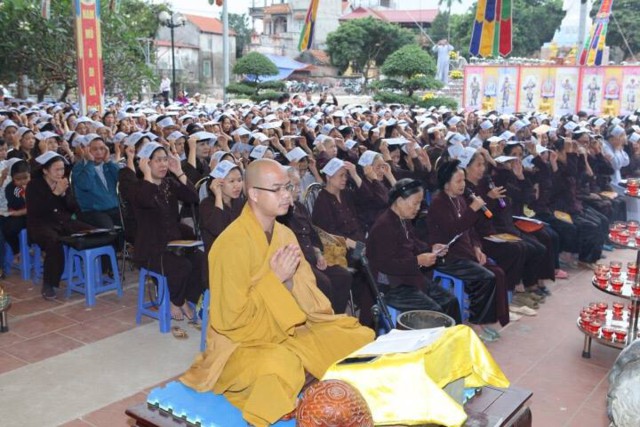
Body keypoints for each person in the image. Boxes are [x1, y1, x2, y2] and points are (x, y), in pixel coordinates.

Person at [181, 159, 373, 427]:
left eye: (288, 187)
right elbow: (230, 321)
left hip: (288, 328)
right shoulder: (230, 245)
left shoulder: (285, 235)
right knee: (283, 364)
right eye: (277, 189)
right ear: (254, 194)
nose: (287, 195)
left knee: (356, 334)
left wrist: (289, 283)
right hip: (242, 343)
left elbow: (311, 298)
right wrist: (275, 280)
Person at [426, 160, 510, 340]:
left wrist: (477, 247)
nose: (463, 184)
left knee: (497, 273)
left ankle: (486, 319)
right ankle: (474, 322)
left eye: (463, 180)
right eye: (458, 181)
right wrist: (472, 209)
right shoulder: (438, 202)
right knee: (484, 277)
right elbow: (453, 230)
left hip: (465, 252)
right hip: (448, 256)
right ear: (446, 184)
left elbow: (470, 230)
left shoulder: (460, 199)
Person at [366, 178, 462, 324]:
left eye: (420, 203)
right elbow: (385, 265)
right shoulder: (384, 226)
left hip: (408, 277)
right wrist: (417, 261)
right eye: (415, 203)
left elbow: (414, 244)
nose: (418, 208)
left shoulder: (403, 219)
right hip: (391, 285)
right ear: (399, 201)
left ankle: (454, 337)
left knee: (450, 300)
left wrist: (432, 249)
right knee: (434, 312)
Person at [131, 142, 206, 321]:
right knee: (182, 266)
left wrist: (179, 171)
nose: (163, 164)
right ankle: (176, 300)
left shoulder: (169, 183)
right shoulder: (137, 188)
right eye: (158, 160)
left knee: (201, 260)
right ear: (146, 163)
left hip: (173, 244)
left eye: (165, 160)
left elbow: (193, 197)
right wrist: (147, 175)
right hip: (151, 249)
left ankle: (188, 298)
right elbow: (147, 200)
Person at [279, 167, 353, 314]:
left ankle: (337, 316)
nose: (298, 190)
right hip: (299, 263)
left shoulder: (300, 207)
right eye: (294, 186)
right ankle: (325, 318)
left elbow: (313, 235)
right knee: (324, 283)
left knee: (343, 276)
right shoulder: (281, 213)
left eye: (298, 185)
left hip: (314, 257)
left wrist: (319, 255)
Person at [26, 151, 94, 300]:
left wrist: (64, 195)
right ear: (45, 170)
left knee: (93, 231)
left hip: (63, 221)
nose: (60, 173)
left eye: (62, 169)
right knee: (54, 242)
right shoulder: (34, 185)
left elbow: (74, 208)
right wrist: (55, 194)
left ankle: (96, 273)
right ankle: (49, 284)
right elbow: (37, 211)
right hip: (41, 224)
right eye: (56, 169)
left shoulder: (63, 183)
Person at [71, 134, 122, 231]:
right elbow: (86, 185)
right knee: (109, 230)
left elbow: (122, 179)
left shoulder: (108, 165)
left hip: (114, 208)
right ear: (86, 150)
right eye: (95, 149)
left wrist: (108, 161)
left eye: (102, 148)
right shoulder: (79, 168)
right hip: (92, 211)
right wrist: (90, 163)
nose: (99, 152)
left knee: (134, 222)